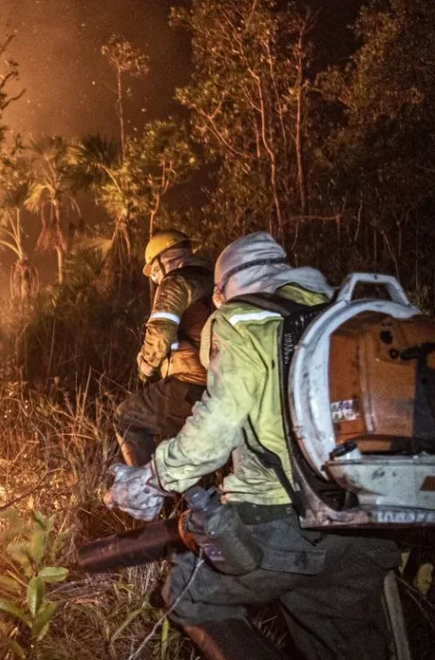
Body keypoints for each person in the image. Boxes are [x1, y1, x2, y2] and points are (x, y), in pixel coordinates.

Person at [106, 232, 400, 660]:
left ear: (224, 289)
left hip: (285, 526)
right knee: (339, 640)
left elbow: (216, 427)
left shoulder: (244, 320)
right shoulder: (344, 317)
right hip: (370, 525)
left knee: (188, 596)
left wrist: (151, 481)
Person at [115, 229, 214, 466]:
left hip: (192, 383)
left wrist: (146, 367)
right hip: (223, 382)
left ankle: (144, 493)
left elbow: (161, 330)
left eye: (155, 271)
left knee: (126, 418)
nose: (156, 278)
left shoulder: (176, 281)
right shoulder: (213, 278)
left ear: (163, 258)